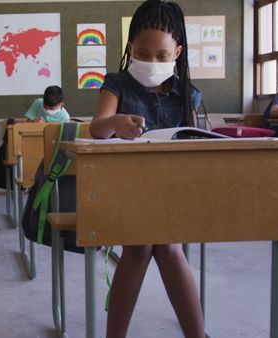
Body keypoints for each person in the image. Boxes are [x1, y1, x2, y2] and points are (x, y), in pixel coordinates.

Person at [89, 1, 205, 337]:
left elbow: (195, 140)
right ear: (130, 49)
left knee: (167, 246)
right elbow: (97, 128)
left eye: (162, 55)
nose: (152, 62)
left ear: (178, 52)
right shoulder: (117, 84)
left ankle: (196, 332)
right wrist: (115, 122)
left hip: (172, 189)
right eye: (143, 52)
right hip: (126, 187)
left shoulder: (187, 93)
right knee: (139, 247)